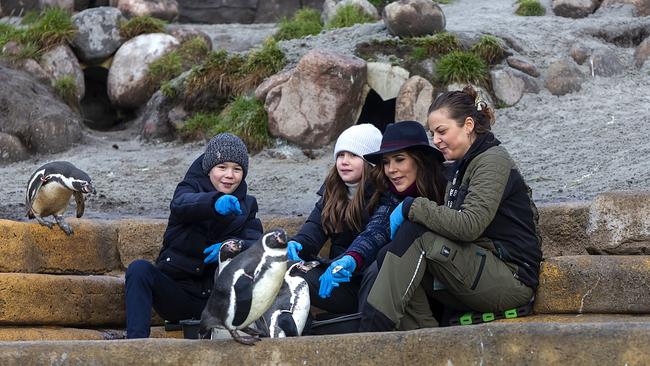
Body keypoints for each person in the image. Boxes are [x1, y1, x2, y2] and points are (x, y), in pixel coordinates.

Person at [358, 86, 542, 332]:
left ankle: (372, 331)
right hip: (479, 270)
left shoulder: (492, 160)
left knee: (416, 234)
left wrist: (412, 206)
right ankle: (426, 340)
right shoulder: (460, 166)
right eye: (432, 133)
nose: (435, 140)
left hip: (510, 278)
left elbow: (469, 225)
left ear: (468, 125)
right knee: (389, 256)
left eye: (441, 131)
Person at [124, 133, 263, 338]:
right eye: (222, 167)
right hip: (177, 295)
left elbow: (257, 243)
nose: (229, 175)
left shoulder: (247, 205)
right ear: (209, 169)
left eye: (237, 169)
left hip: (218, 303)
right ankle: (136, 347)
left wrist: (234, 245)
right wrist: (214, 203)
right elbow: (182, 204)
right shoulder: (187, 189)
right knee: (139, 269)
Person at [287, 123, 383, 315]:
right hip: (331, 278)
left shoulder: (381, 194)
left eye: (353, 155)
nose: (344, 161)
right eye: (340, 155)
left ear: (370, 162)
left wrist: (343, 264)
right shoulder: (333, 189)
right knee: (286, 269)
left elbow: (374, 239)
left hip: (362, 283)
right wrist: (297, 244)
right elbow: (315, 228)